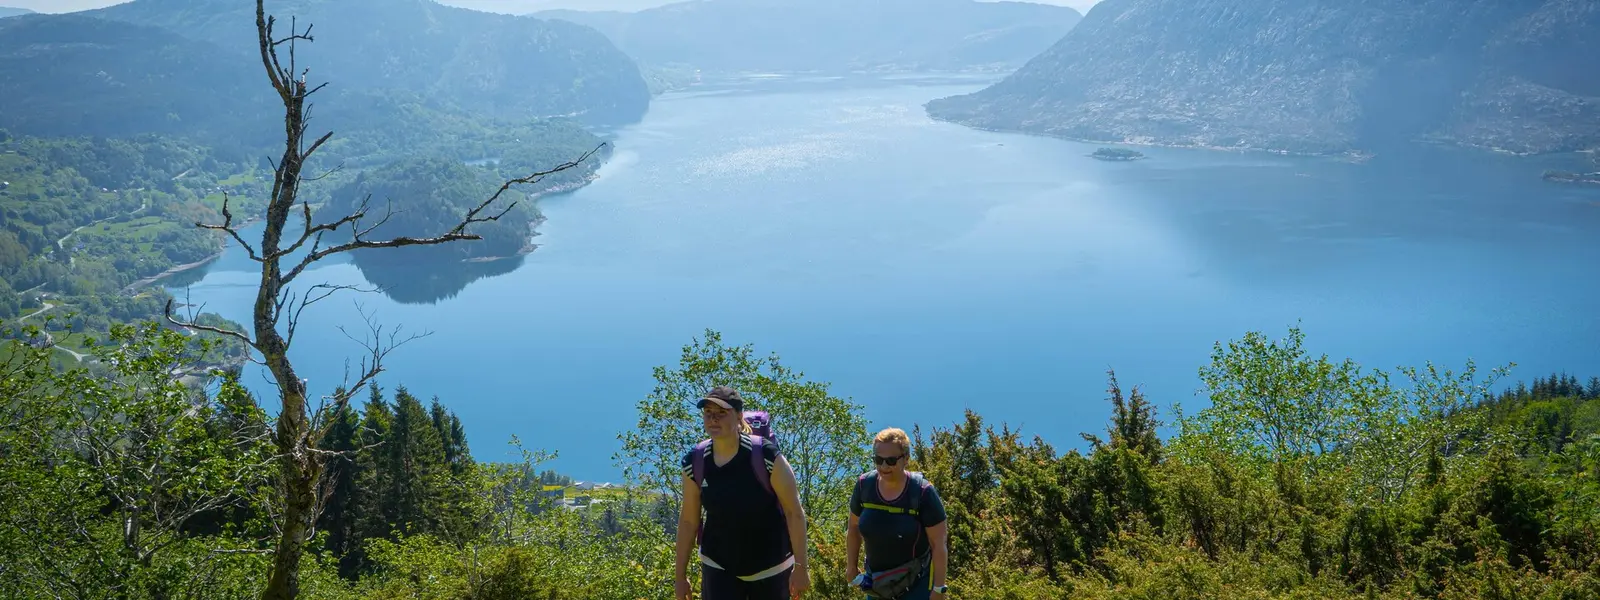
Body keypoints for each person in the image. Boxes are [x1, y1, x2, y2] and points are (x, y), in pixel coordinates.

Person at [675, 386, 810, 600]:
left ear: (739, 416)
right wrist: (680, 577)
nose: (713, 419)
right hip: (717, 567)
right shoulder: (695, 461)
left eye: (721, 413)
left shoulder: (766, 456)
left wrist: (801, 567)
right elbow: (688, 521)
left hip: (770, 568)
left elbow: (794, 512)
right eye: (708, 414)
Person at [845, 427, 949, 600]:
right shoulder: (865, 486)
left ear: (906, 459)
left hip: (918, 583)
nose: (884, 466)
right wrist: (851, 566)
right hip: (877, 584)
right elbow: (853, 527)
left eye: (891, 460)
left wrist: (939, 589)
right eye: (878, 460)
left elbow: (938, 543)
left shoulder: (922, 492)